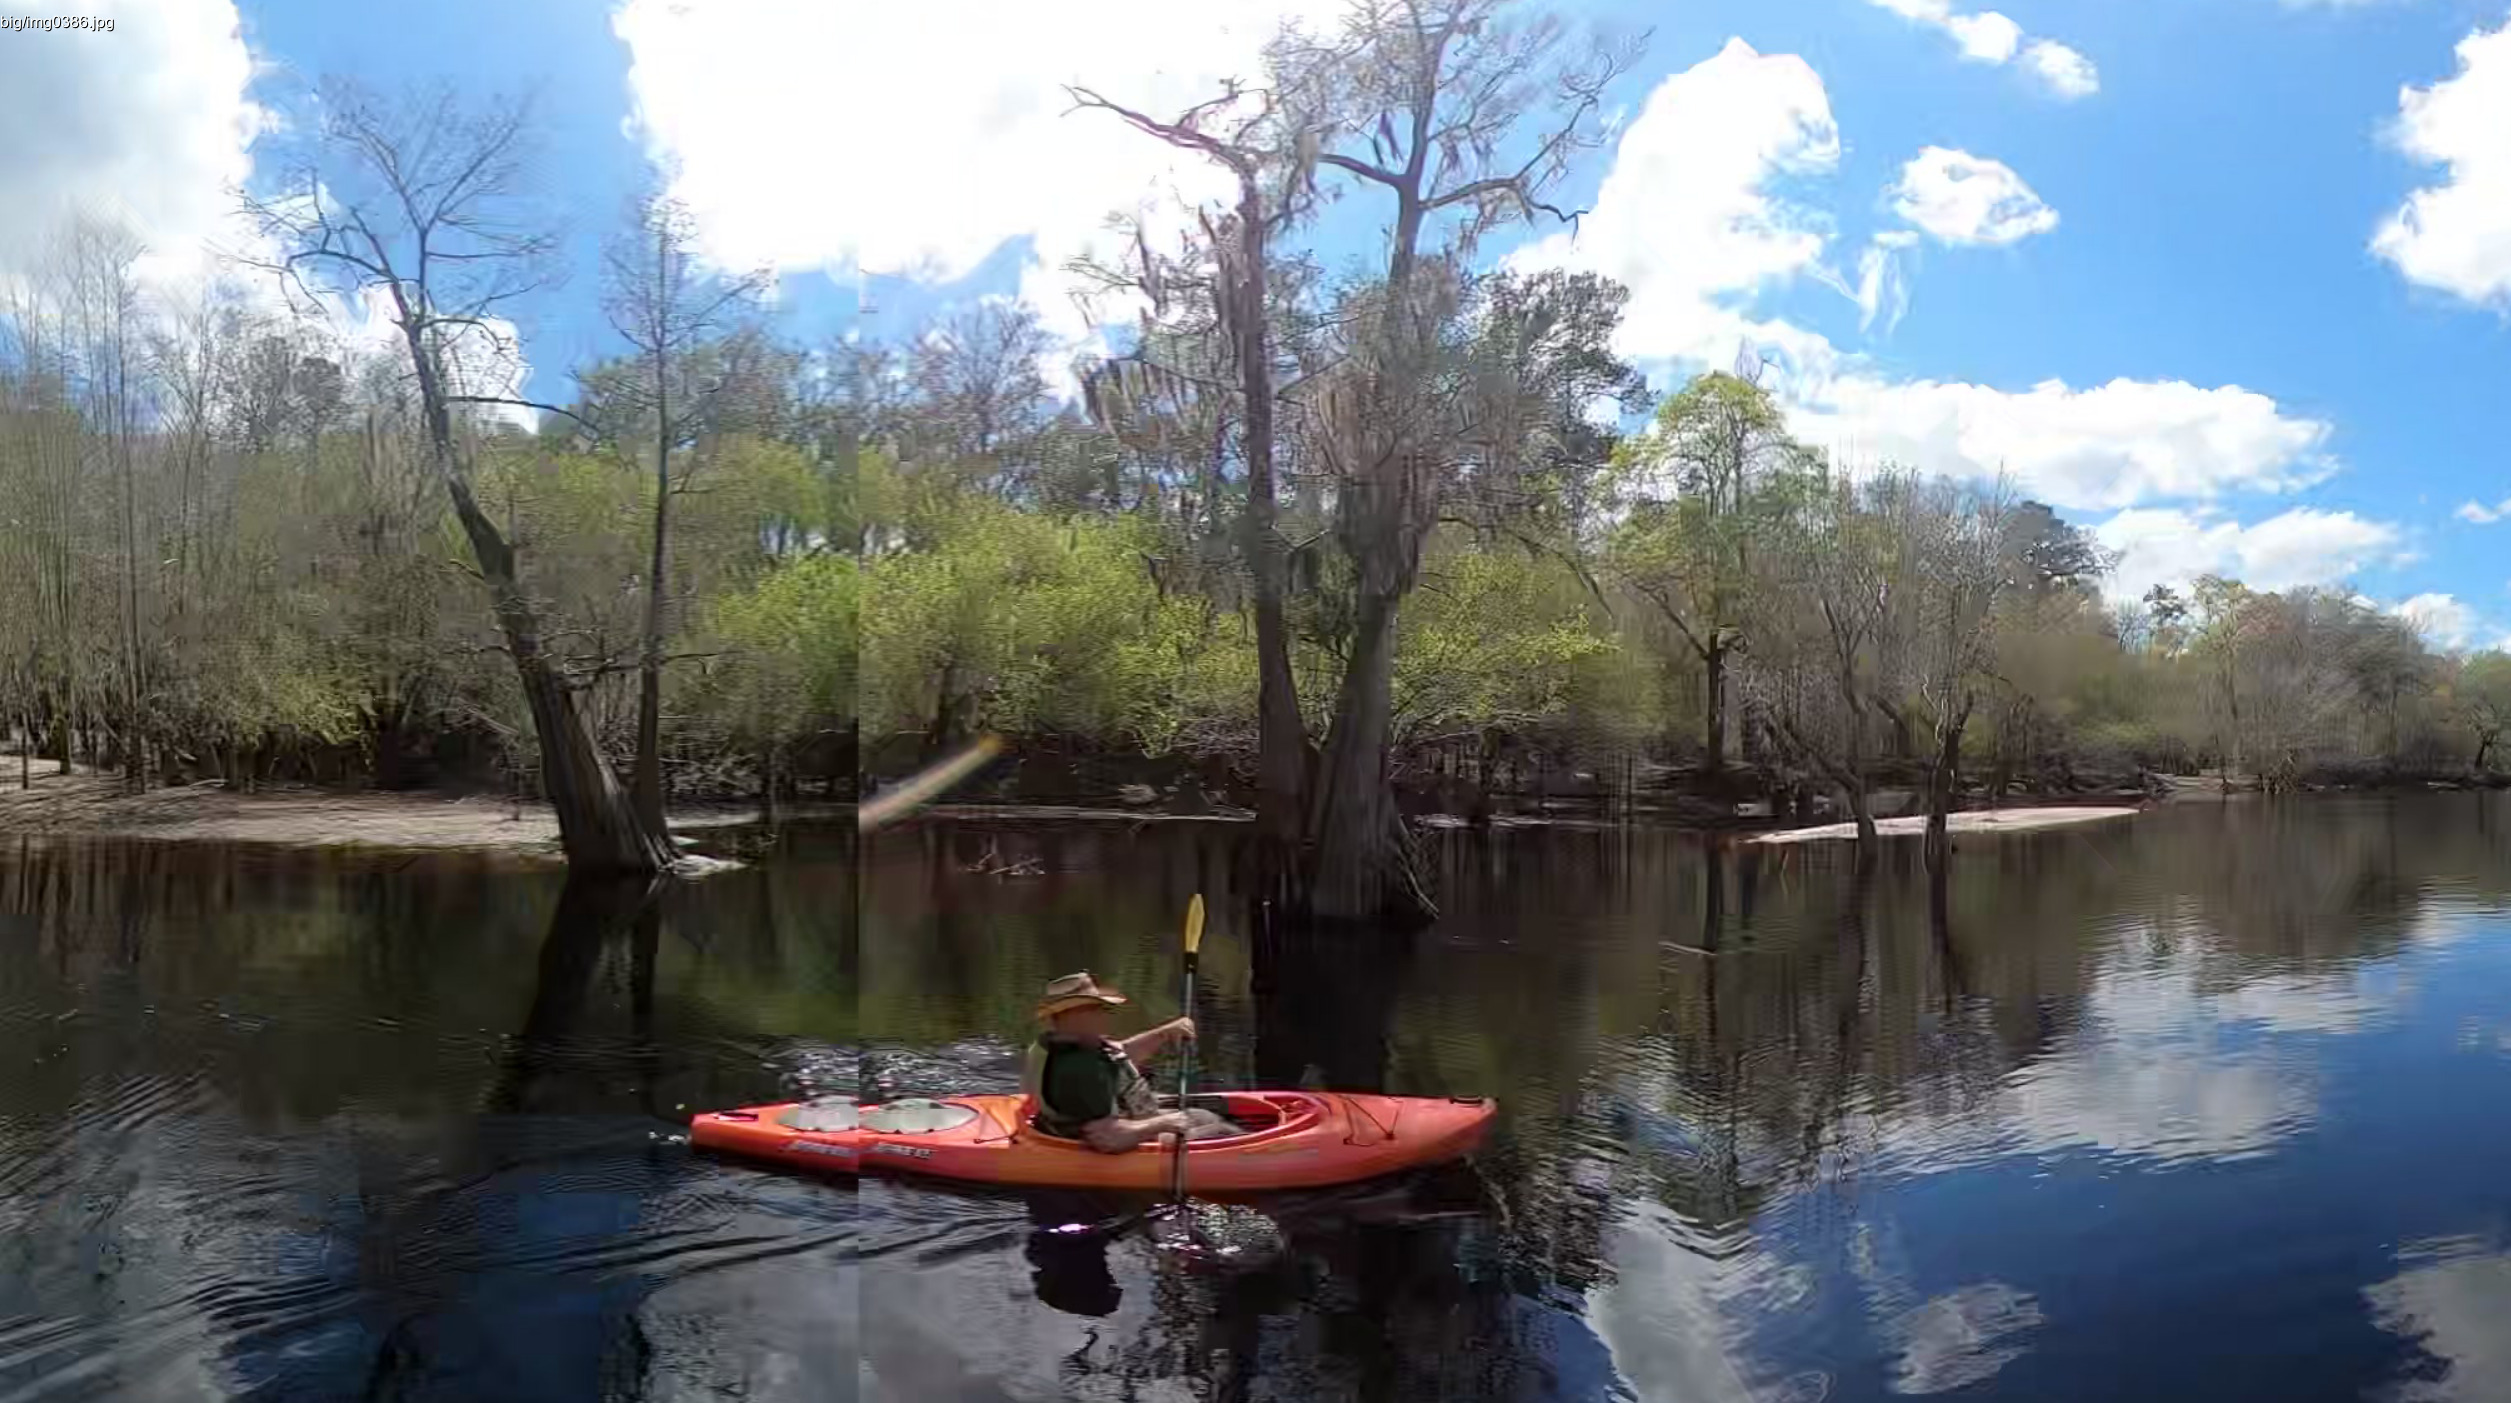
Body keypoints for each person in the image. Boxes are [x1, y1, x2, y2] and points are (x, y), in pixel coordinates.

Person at [1023, 971, 1238, 1150]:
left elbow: (1120, 1054)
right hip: (1105, 1143)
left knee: (1201, 1115)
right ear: (1077, 1014)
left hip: (1086, 1124)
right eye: (1098, 1009)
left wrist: (1165, 1032)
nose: (1105, 1015)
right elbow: (1109, 1138)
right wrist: (1164, 1123)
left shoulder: (1058, 1044)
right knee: (1222, 1131)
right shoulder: (1082, 1068)